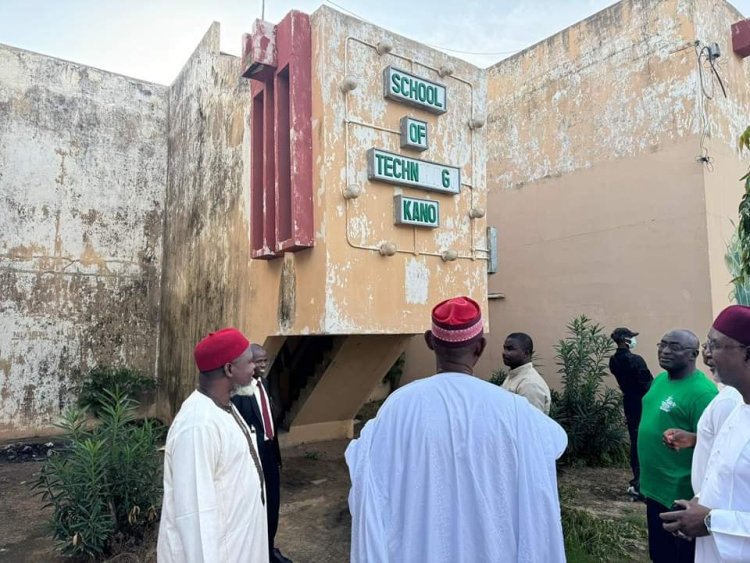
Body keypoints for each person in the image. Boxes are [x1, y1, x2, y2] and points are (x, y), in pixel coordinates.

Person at [346, 296, 568, 563]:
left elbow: (365, 476)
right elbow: (554, 443)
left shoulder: (398, 406)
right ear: (480, 347)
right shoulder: (514, 411)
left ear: (430, 341)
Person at [157, 328, 268, 563]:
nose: (254, 369)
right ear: (229, 369)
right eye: (249, 362)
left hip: (239, 546)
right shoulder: (198, 426)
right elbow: (195, 516)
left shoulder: (224, 406)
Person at [660, 305, 750, 562]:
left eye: (715, 345)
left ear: (747, 354)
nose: (706, 354)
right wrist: (696, 505)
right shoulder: (737, 407)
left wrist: (710, 521)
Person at [638, 329, 718, 563]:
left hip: (680, 494)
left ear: (693, 354)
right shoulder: (661, 379)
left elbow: (713, 445)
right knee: (659, 554)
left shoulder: (703, 393)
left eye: (674, 347)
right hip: (654, 487)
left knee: (680, 558)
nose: (664, 351)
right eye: (662, 345)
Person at [233, 344, 292, 563]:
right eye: (258, 361)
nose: (263, 365)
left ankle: (268, 549)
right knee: (255, 508)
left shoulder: (264, 384)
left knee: (273, 506)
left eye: (265, 360)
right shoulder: (238, 392)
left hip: (270, 453)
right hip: (252, 458)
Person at [609, 327, 653, 497]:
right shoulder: (635, 360)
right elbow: (647, 384)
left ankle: (637, 480)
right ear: (625, 340)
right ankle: (643, 483)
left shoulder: (613, 361)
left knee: (635, 440)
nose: (634, 340)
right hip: (643, 402)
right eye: (631, 337)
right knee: (644, 440)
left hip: (629, 402)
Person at [501, 332, 551, 414]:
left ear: (526, 353)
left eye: (510, 349)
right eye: (504, 348)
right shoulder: (514, 375)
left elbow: (529, 423)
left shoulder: (530, 384)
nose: (504, 353)